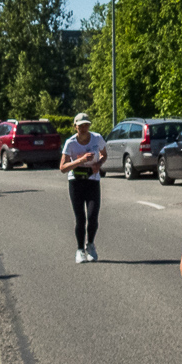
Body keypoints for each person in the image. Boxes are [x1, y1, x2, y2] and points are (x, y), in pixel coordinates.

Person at [59, 113, 107, 263]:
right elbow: (63, 167)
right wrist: (80, 160)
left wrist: (98, 164)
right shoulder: (70, 143)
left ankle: (90, 245)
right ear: (75, 127)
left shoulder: (97, 138)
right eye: (81, 126)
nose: (84, 128)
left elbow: (104, 154)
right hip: (76, 182)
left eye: (86, 125)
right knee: (81, 218)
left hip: (92, 181)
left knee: (93, 217)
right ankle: (80, 250)